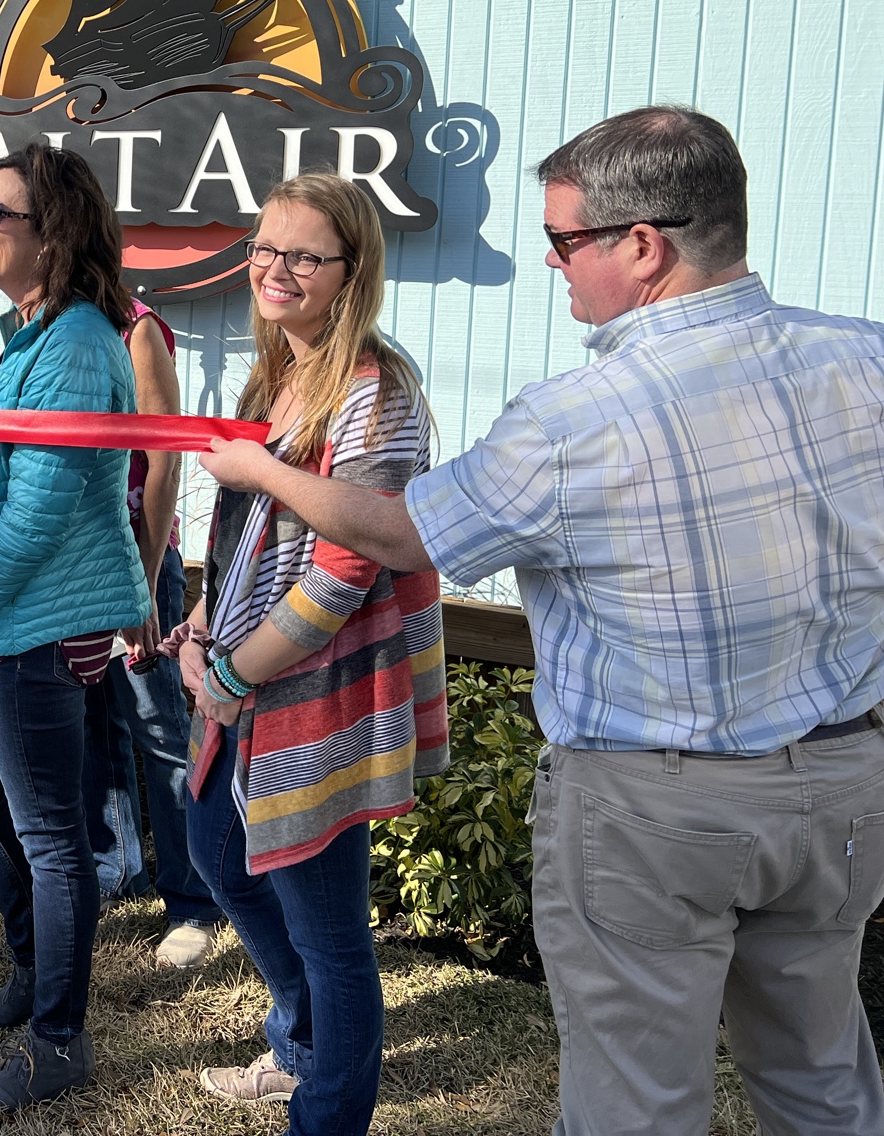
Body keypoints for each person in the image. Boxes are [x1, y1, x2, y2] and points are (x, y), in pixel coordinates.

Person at [201, 107, 884, 1136]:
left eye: (564, 242)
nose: (556, 267)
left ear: (642, 245)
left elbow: (394, 536)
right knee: (819, 1075)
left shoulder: (573, 420)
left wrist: (256, 472)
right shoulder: (864, 361)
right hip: (840, 785)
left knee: (634, 1103)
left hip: (656, 806)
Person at [167, 172, 446, 1133]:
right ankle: (306, 1038)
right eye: (265, 247)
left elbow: (342, 573)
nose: (276, 269)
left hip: (321, 692)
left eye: (304, 254)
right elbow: (242, 533)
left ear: (350, 271)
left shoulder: (376, 389)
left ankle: (323, 1104)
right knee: (214, 846)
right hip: (245, 675)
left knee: (331, 932)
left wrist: (236, 677)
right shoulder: (278, 372)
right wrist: (204, 631)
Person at [0, 145, 150, 1112]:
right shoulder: (31, 337)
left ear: (50, 232)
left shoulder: (81, 346)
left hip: (39, 628)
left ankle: (60, 1038)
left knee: (54, 841)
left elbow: (35, 516)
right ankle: (31, 965)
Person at [82, 295, 223, 969]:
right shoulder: (45, 321)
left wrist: (140, 579)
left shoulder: (134, 327)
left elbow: (163, 461)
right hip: (73, 559)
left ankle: (193, 901)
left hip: (135, 555)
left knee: (160, 728)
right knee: (99, 721)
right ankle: (116, 865)